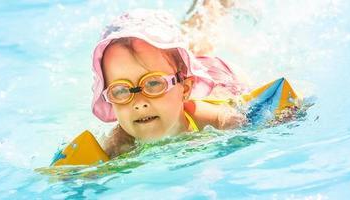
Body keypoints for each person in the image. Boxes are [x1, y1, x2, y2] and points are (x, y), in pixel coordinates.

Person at [91, 9, 250, 158]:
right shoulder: (118, 145)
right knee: (192, 45)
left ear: (185, 89)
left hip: (220, 77)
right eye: (120, 90)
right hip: (178, 71)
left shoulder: (214, 120)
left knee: (202, 39)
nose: (139, 103)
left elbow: (251, 125)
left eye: (153, 83)